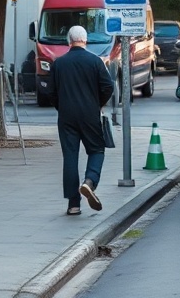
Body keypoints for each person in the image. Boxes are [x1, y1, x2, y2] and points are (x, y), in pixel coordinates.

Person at [51, 25, 114, 216]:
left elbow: (51, 92)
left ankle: (73, 205)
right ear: (85, 40)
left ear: (69, 41)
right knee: (96, 149)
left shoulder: (59, 63)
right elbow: (108, 87)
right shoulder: (95, 62)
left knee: (70, 156)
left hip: (67, 116)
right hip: (90, 115)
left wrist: (61, 107)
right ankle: (89, 181)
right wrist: (98, 104)